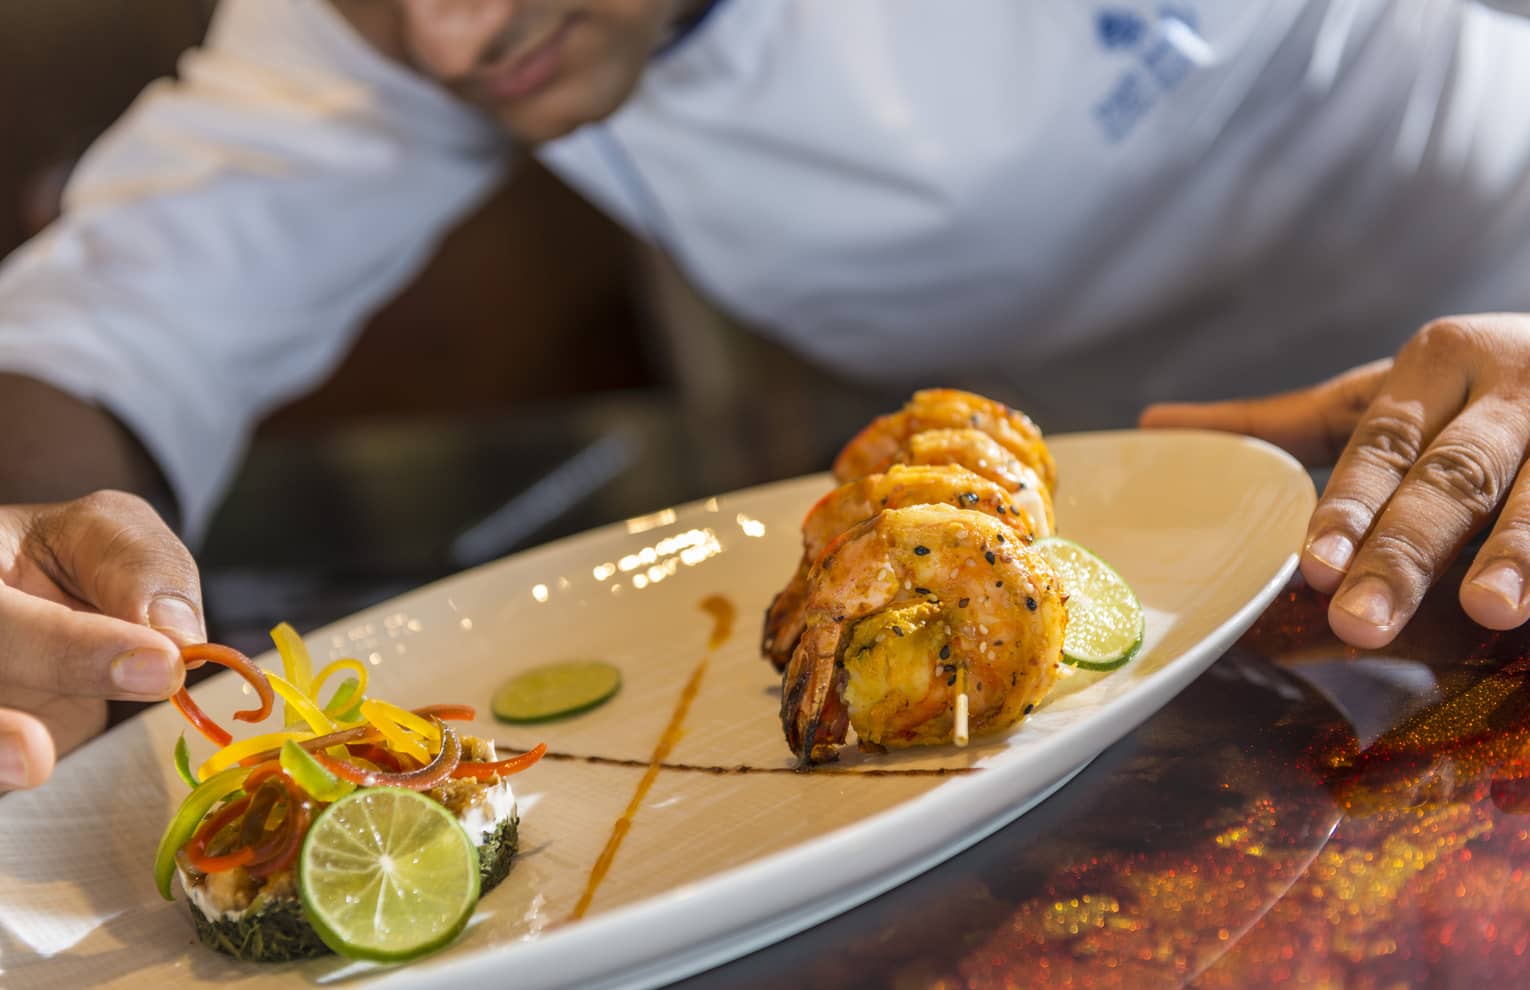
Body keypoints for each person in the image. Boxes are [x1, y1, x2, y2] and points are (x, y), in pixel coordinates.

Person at [5, 0, 1530, 791]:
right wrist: (25, 547)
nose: (447, 39)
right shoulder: (407, 31)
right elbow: (111, 318)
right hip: (1094, 631)